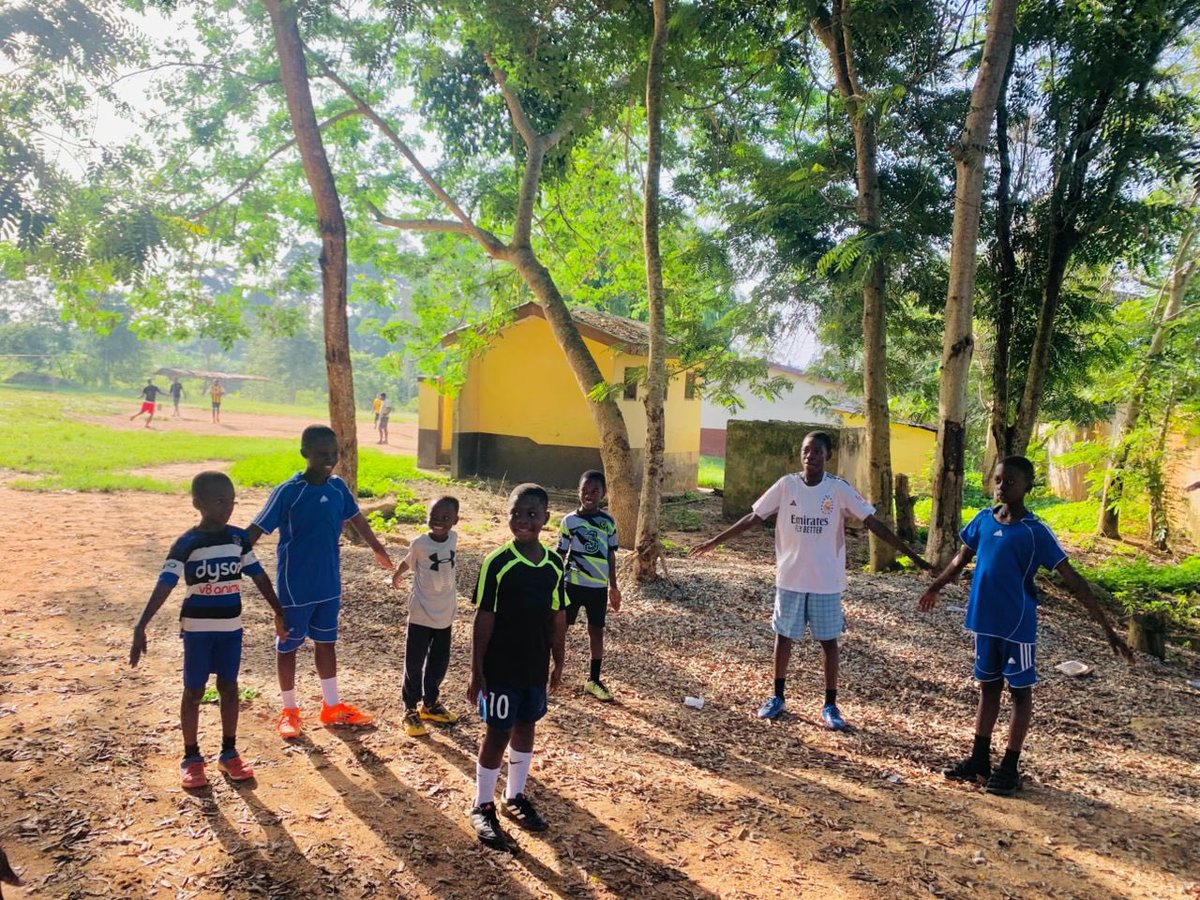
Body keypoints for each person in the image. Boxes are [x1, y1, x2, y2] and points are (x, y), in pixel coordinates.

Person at [919, 456, 1134, 796]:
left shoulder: (1035, 532)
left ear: (1028, 487)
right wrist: (936, 585)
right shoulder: (983, 521)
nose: (1003, 486)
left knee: (1019, 694)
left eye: (1011, 481)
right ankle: (979, 759)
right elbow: (962, 559)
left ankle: (1008, 766)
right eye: (999, 480)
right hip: (984, 623)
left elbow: (1073, 579)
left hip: (1017, 626)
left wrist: (1108, 628)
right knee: (987, 688)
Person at [690, 430, 930, 730]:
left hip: (825, 581)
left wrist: (915, 558)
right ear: (800, 454)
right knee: (783, 637)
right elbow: (754, 517)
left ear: (828, 456)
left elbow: (873, 523)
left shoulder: (838, 489)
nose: (810, 456)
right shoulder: (786, 485)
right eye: (806, 450)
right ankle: (777, 696)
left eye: (817, 451)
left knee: (829, 642)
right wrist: (714, 541)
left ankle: (830, 704)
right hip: (790, 577)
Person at [130, 471, 287, 788]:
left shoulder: (237, 539)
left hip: (231, 630)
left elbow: (258, 576)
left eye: (231, 501)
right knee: (194, 691)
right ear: (197, 503)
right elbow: (166, 584)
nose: (227, 507)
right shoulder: (188, 543)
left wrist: (278, 611)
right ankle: (191, 757)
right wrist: (141, 624)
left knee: (230, 687)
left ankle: (229, 752)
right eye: (219, 501)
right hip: (198, 632)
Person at [247, 425, 394, 739]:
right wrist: (228, 550)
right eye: (321, 454)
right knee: (288, 646)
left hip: (329, 584)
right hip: (295, 585)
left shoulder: (338, 487)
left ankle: (331, 705)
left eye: (334, 453)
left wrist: (378, 548)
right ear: (305, 454)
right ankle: (289, 711)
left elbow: (356, 517)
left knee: (326, 643)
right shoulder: (289, 492)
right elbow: (257, 528)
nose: (329, 459)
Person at [467, 484, 567, 853]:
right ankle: (482, 803)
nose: (522, 520)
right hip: (501, 667)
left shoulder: (555, 565)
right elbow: (484, 617)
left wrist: (559, 661)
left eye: (531, 514)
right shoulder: (498, 562)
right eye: (515, 513)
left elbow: (558, 615)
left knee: (527, 727)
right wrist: (476, 670)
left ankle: (515, 795)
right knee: (498, 732)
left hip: (534, 666)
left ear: (545, 519)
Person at [392, 496, 461, 737]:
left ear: (455, 520)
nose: (438, 522)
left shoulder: (453, 538)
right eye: (434, 517)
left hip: (445, 615)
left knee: (439, 662)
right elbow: (408, 561)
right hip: (421, 614)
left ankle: (430, 704)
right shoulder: (420, 543)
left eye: (445, 518)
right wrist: (397, 575)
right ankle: (410, 708)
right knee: (414, 662)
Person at [556, 469, 622, 701]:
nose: (589, 495)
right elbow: (560, 554)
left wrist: (613, 586)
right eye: (585, 490)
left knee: (596, 631)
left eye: (595, 491)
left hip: (597, 588)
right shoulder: (569, 521)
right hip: (572, 584)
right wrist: (554, 584)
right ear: (578, 492)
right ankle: (554, 671)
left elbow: (611, 556)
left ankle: (593, 679)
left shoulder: (608, 522)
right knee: (560, 628)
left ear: (604, 493)